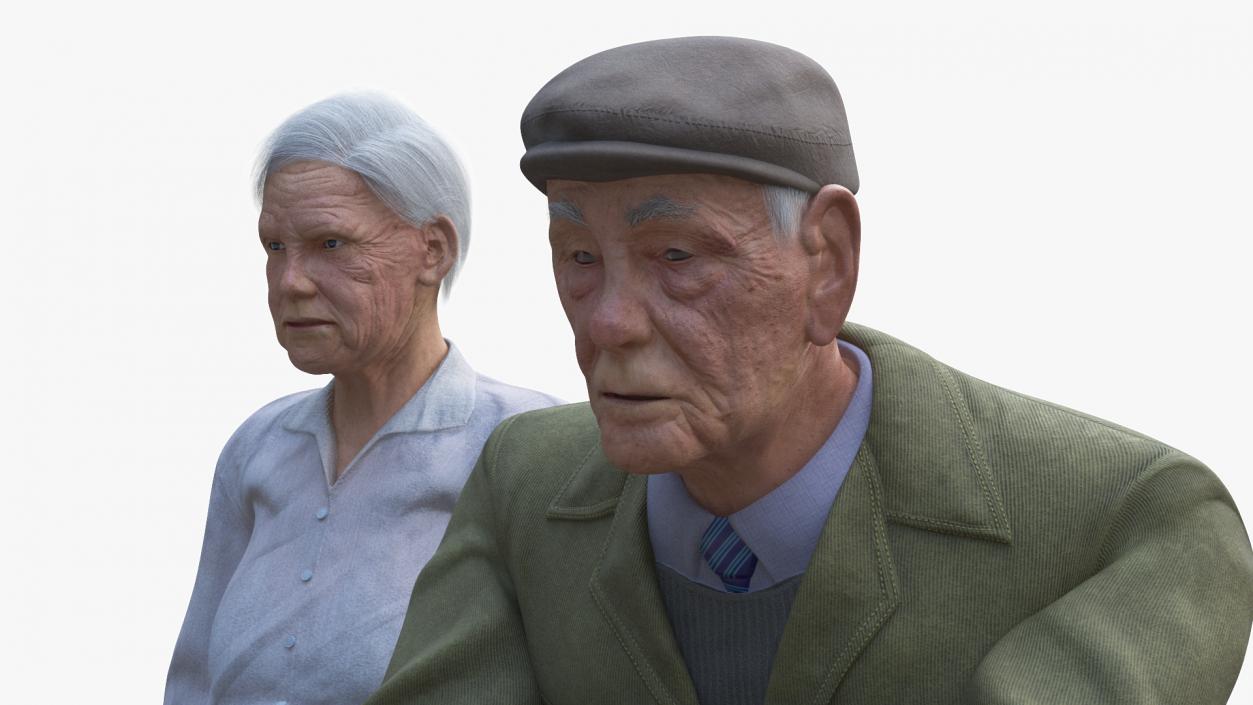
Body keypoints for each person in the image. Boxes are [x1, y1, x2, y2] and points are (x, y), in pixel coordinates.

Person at [366, 37, 1253, 705]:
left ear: (825, 262)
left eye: (676, 254)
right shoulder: (519, 485)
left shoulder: (1138, 521)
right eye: (577, 255)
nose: (607, 321)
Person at [163, 92, 561, 705]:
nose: (290, 282)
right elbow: (193, 678)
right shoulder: (258, 449)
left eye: (331, 244)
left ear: (434, 249)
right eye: (274, 247)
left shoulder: (525, 446)